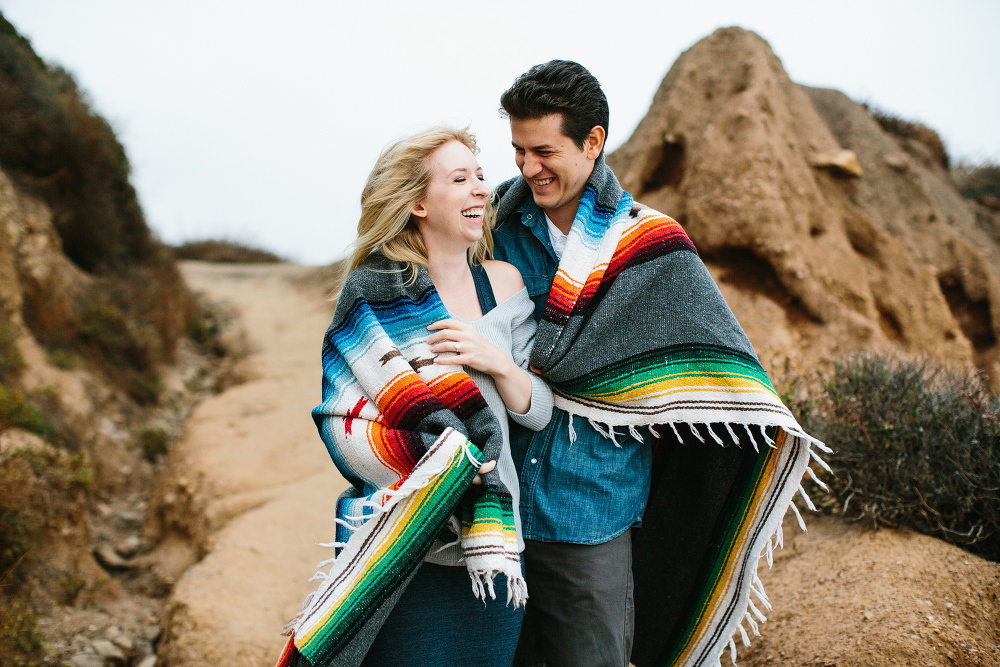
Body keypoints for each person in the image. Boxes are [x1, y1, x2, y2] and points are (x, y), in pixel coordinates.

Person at [491, 61, 828, 667]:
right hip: (494, 504)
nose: (527, 168)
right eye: (517, 151)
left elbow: (713, 363)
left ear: (593, 142)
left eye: (544, 151)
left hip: (587, 509)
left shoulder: (649, 244)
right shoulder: (493, 227)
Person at [278, 126, 552, 667]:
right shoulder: (374, 296)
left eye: (479, 176)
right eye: (459, 179)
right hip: (403, 546)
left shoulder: (504, 284)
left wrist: (492, 358)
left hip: (492, 548)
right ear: (419, 203)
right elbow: (344, 419)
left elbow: (538, 411)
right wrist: (443, 471)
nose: (480, 188)